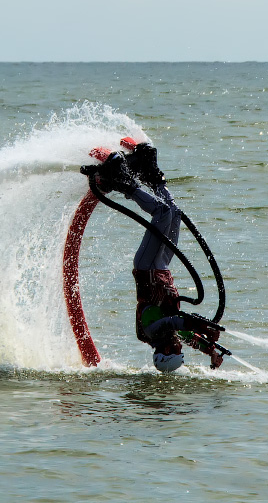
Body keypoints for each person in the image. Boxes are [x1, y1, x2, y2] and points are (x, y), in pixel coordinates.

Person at [91, 139, 223, 372]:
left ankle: (122, 182)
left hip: (147, 266)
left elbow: (176, 322)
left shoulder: (152, 332)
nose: (179, 347)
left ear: (165, 352)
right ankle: (150, 173)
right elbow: (188, 334)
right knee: (173, 212)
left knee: (161, 213)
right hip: (162, 266)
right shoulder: (169, 336)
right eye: (180, 350)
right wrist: (211, 351)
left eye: (177, 351)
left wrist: (201, 325)